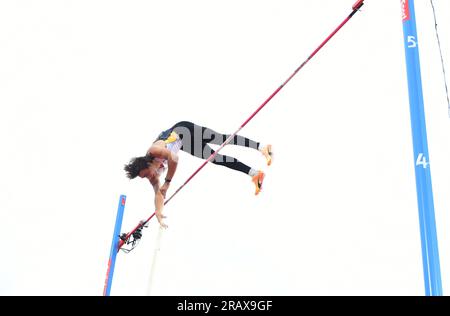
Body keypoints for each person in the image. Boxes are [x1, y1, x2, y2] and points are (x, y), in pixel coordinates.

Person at [124, 121, 272, 227]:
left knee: (221, 139)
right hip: (184, 143)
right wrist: (158, 212)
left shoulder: (153, 151)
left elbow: (174, 158)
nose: (148, 177)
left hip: (183, 130)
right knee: (216, 159)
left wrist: (167, 183)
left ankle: (262, 147)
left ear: (146, 164)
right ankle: (254, 174)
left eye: (145, 175)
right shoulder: (153, 175)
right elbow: (158, 194)